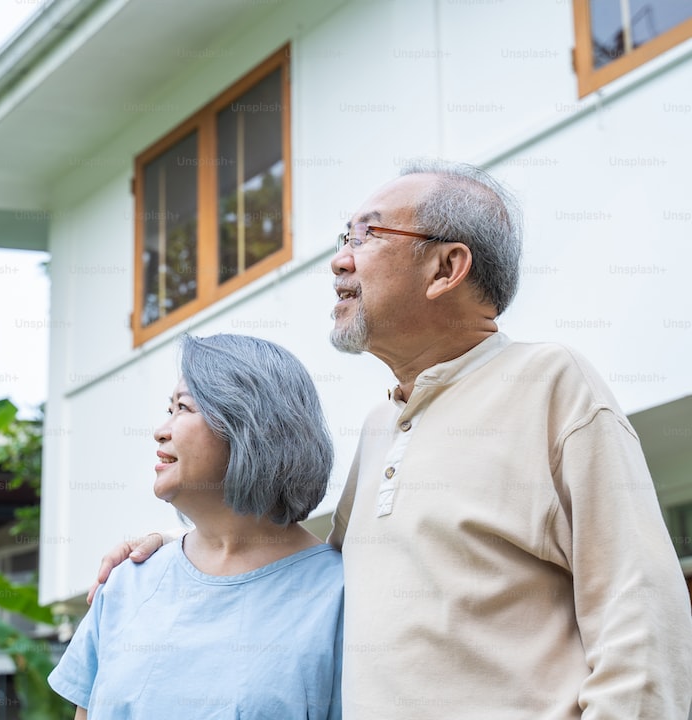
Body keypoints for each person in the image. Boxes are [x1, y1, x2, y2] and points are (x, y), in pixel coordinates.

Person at [91, 159, 692, 719]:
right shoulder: (384, 426)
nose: (339, 261)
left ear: (447, 269)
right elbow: (324, 567)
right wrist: (195, 542)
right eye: (342, 239)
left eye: (366, 236)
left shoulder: (552, 385)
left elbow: (642, 618)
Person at [50, 333, 344, 719]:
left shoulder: (340, 596)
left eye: (182, 408)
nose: (161, 430)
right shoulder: (128, 582)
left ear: (249, 424)